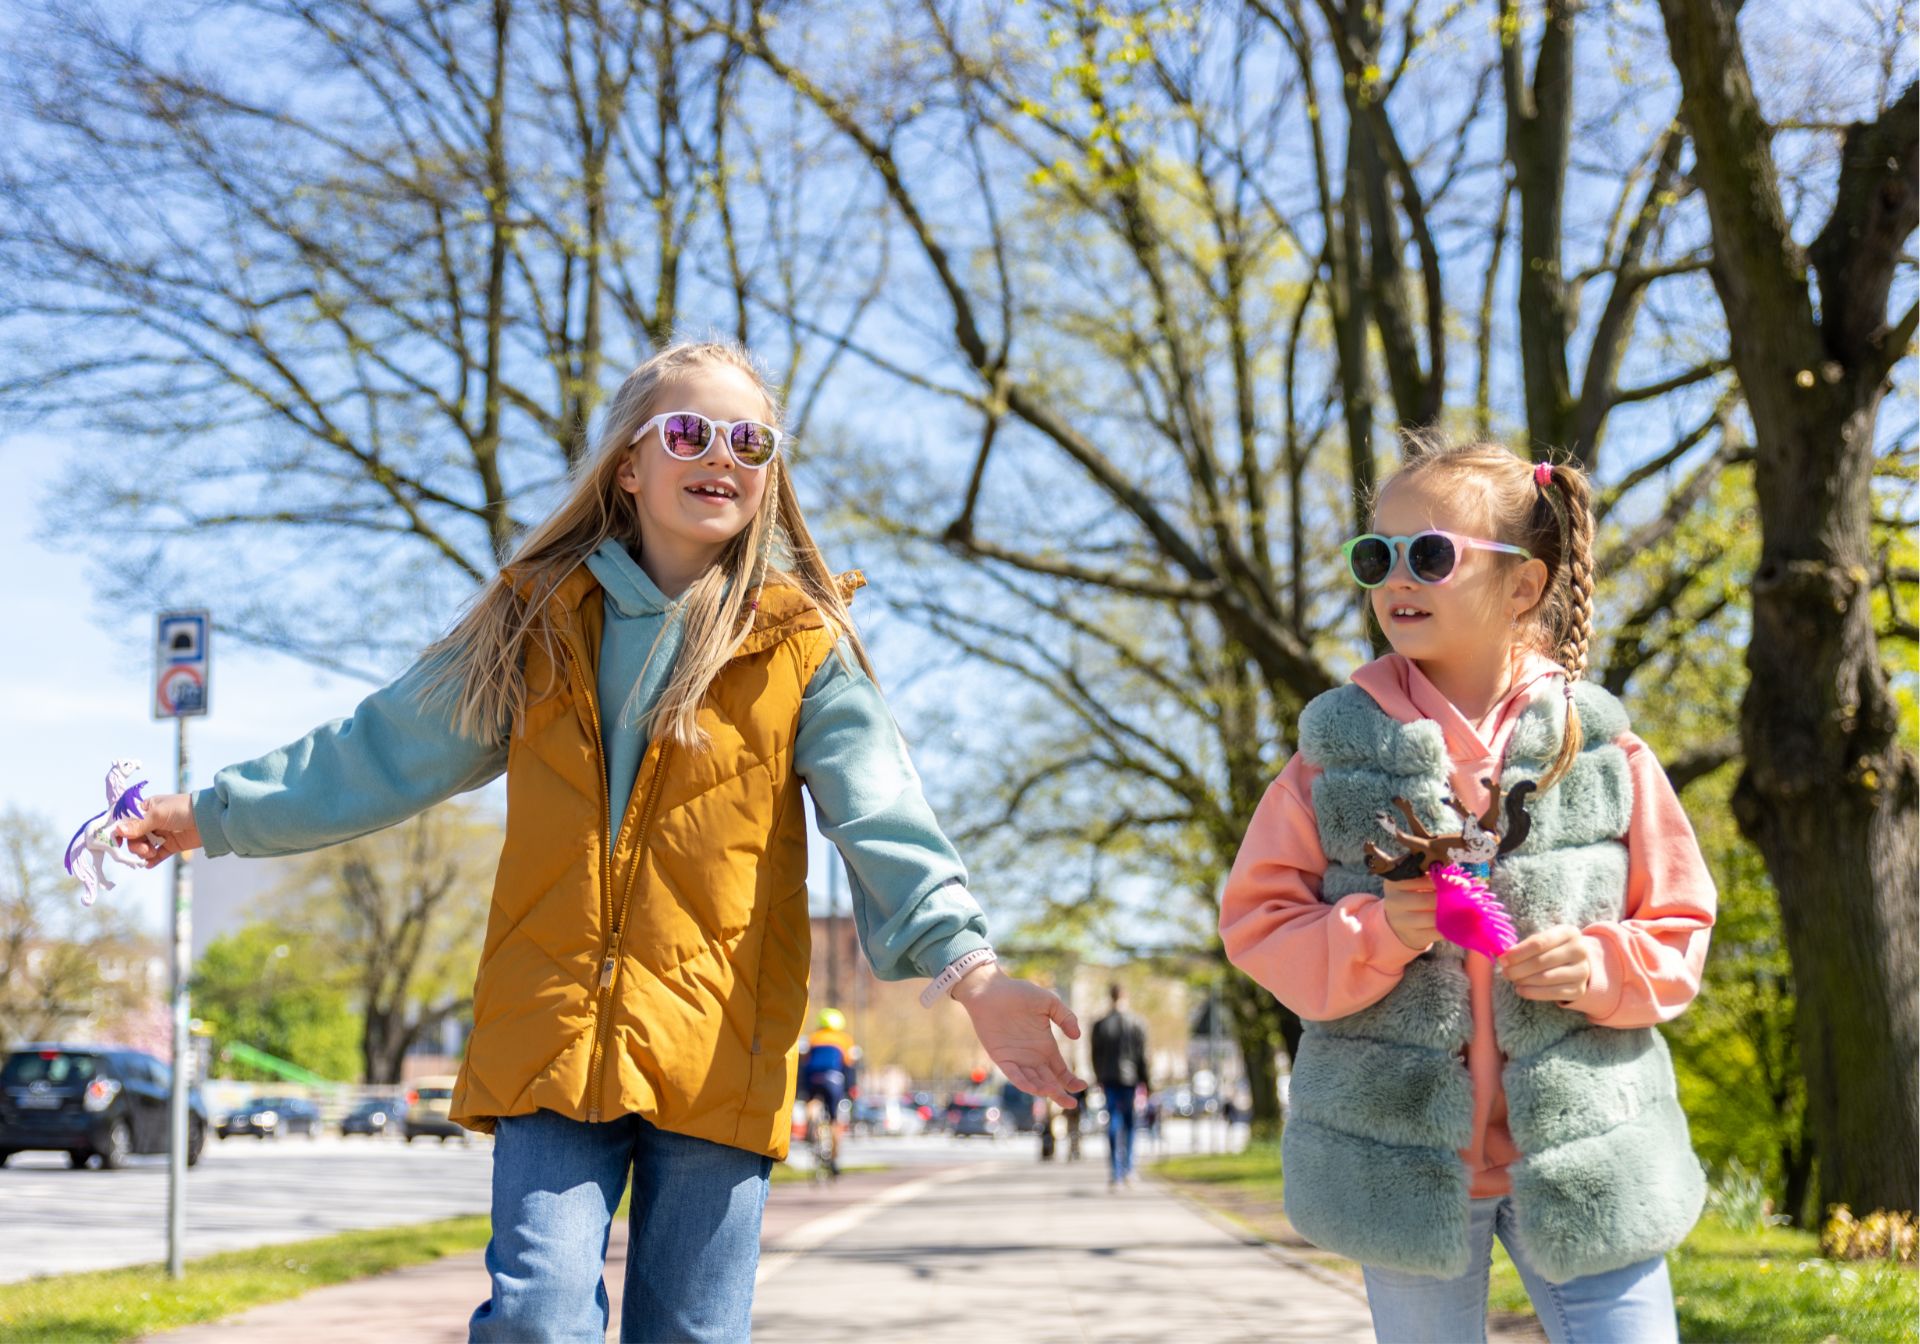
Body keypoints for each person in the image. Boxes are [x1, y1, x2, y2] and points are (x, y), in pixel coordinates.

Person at [116, 339, 1087, 1344]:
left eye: (750, 440)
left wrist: (974, 973)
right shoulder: (532, 622)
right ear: (630, 463)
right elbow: (380, 751)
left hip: (720, 1044)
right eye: (690, 431)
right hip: (550, 1032)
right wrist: (211, 815)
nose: (723, 454)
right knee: (536, 1319)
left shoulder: (802, 648)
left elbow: (884, 815)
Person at [1219, 436, 1716, 1344]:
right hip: (1398, 1165)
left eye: (1431, 555)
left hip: (1591, 1149)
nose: (1396, 577)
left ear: (1523, 586)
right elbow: (1259, 924)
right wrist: (1377, 930)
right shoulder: (1334, 757)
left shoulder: (1600, 751)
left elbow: (1679, 924)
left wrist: (1602, 964)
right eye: (1377, 556)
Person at [1090, 983, 1150, 1187]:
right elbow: (1142, 1056)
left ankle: (1115, 1172)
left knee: (1113, 1123)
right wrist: (1147, 1082)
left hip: (1108, 1079)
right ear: (1125, 996)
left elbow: (1095, 1055)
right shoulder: (1136, 1023)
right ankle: (1129, 1169)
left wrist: (1099, 1076)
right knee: (1130, 1123)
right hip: (1130, 1080)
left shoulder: (1100, 1024)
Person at [800, 1008, 856, 1172]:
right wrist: (850, 1088)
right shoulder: (844, 1040)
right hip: (833, 1079)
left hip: (813, 1077)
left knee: (812, 1102)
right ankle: (834, 1159)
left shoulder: (813, 1038)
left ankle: (810, 1126)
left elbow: (803, 1062)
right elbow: (849, 1066)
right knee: (835, 1120)